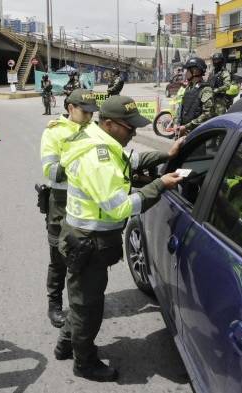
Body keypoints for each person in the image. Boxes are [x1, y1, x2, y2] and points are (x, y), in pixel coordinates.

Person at [54, 95, 184, 381]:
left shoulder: (99, 139)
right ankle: (84, 362)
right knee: (88, 306)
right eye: (130, 128)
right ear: (110, 124)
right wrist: (159, 185)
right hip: (88, 242)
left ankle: (66, 344)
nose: (134, 132)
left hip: (84, 239)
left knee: (81, 301)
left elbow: (131, 160)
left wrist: (167, 154)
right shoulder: (98, 158)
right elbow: (121, 207)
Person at [40, 89, 99, 328]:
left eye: (91, 113)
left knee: (86, 253)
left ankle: (81, 302)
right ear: (70, 108)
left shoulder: (93, 129)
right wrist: (78, 154)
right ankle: (54, 304)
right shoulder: (54, 132)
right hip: (61, 201)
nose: (88, 117)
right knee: (58, 256)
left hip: (87, 201)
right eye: (84, 112)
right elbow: (51, 171)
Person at [172, 57, 214, 136]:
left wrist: (186, 127)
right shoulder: (189, 87)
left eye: (187, 70)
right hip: (182, 131)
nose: (185, 73)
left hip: (196, 135)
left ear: (194, 71)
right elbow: (181, 108)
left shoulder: (205, 89)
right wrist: (176, 122)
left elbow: (207, 114)